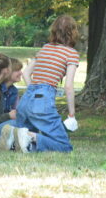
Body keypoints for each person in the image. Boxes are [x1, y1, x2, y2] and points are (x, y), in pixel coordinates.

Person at [13, 15, 79, 153]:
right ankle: (29, 135)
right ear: (73, 32)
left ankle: (17, 136)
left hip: (26, 99)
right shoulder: (71, 53)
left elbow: (26, 73)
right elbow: (68, 86)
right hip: (43, 99)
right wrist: (72, 114)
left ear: (54, 31)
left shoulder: (45, 48)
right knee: (64, 146)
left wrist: (34, 91)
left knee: (28, 148)